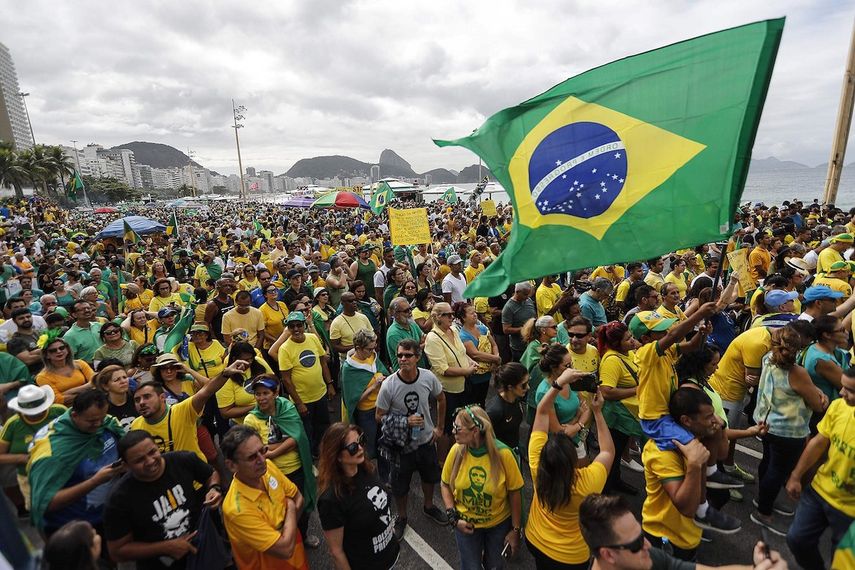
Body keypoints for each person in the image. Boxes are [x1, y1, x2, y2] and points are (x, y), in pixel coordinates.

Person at [525, 367, 614, 569]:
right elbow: (607, 451)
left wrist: (557, 384)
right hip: (570, 556)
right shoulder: (587, 481)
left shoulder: (537, 465)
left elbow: (541, 411)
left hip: (535, 539)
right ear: (574, 460)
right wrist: (597, 413)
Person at [104, 430, 223, 570]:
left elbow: (210, 474)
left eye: (152, 452)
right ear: (126, 465)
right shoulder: (119, 499)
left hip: (205, 552)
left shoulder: (182, 460)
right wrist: (165, 548)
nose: (149, 461)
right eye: (139, 460)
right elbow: (117, 551)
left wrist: (214, 488)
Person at [750, 327, 827, 536]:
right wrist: (821, 396)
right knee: (777, 470)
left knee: (768, 462)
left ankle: (762, 500)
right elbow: (817, 405)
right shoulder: (797, 372)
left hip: (765, 423)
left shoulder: (767, 359)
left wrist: (814, 390)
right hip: (788, 431)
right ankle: (763, 512)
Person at [579, 494, 789, 570]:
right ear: (607, 554)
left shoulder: (645, 558)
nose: (648, 545)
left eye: (642, 536)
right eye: (636, 544)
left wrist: (758, 568)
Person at [375, 338, 448, 541]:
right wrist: (404, 421)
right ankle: (402, 516)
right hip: (401, 446)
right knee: (400, 485)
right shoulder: (389, 385)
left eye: (408, 355)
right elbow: (378, 416)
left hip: (425, 441)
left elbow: (441, 398)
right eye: (400, 355)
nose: (403, 359)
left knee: (428, 477)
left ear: (417, 357)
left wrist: (440, 428)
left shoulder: (427, 377)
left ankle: (429, 506)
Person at [28, 388, 126, 535]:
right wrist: (94, 481)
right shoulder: (52, 452)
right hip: (72, 529)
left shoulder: (106, 423)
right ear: (75, 415)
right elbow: (45, 502)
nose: (99, 424)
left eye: (102, 417)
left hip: (109, 515)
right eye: (92, 421)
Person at [785, 366, 855, 569]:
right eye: (843, 387)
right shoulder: (839, 407)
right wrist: (796, 475)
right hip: (819, 492)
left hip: (850, 511)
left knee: (841, 560)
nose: (841, 393)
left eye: (850, 390)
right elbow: (818, 443)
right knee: (797, 540)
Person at [441, 405, 524, 570]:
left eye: (457, 428)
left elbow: (515, 493)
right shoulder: (456, 451)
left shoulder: (504, 455)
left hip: (498, 526)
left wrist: (515, 530)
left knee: (495, 566)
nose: (453, 432)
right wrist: (453, 517)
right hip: (466, 526)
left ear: (475, 431)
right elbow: (444, 484)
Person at [244, 376, 319, 550]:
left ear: (275, 393)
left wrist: (272, 451)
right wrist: (282, 444)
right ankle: (285, 541)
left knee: (301, 507)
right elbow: (257, 449)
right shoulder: (251, 420)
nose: (261, 398)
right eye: (257, 394)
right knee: (278, 511)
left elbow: (297, 436)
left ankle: (303, 535)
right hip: (271, 474)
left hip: (296, 468)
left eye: (265, 393)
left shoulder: (286, 407)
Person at [221, 425, 309, 570]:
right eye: (252, 457)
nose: (262, 459)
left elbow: (299, 497)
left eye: (263, 450)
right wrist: (291, 509)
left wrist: (286, 535)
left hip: (297, 560)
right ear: (232, 466)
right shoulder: (236, 510)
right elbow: (285, 550)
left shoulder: (268, 467)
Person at [317, 422, 400, 570]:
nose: (360, 448)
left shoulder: (366, 469)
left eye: (360, 441)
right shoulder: (331, 499)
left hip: (390, 557)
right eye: (352, 447)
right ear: (337, 456)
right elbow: (337, 552)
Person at [130, 359, 248, 461]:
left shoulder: (181, 410)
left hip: (196, 475)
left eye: (147, 397)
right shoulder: (136, 425)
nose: (142, 403)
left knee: (213, 457)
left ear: (162, 398)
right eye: (137, 400)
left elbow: (207, 390)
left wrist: (225, 373)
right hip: (168, 480)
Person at [0, 385, 66, 512]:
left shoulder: (59, 412)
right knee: (41, 512)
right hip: (30, 477)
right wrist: (23, 458)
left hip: (63, 469)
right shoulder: (13, 424)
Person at [424, 301, 476, 459]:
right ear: (437, 317)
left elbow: (461, 352)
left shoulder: (453, 329)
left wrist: (469, 361)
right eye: (448, 315)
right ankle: (442, 461)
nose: (452, 317)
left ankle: (457, 455)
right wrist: (466, 370)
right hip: (447, 390)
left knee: (460, 423)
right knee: (446, 427)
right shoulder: (433, 339)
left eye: (452, 314)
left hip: (462, 385)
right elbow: (443, 369)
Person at [278, 311, 334, 455]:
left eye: (298, 325)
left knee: (323, 427)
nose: (296, 329)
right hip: (303, 399)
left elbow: (323, 362)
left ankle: (323, 453)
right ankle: (309, 458)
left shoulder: (312, 338)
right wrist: (299, 403)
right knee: (307, 431)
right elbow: (286, 379)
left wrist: (330, 384)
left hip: (320, 394)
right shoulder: (284, 349)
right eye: (292, 326)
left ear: (304, 325)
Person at [597, 321, 643, 494]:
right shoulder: (612, 361)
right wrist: (637, 389)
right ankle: (605, 492)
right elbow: (606, 392)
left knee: (616, 454)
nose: (632, 341)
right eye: (627, 339)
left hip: (625, 416)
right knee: (611, 455)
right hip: (615, 417)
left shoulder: (627, 353)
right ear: (616, 344)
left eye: (631, 336)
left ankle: (615, 482)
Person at [533, 344, 591, 454]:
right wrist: (578, 420)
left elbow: (586, 409)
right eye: (567, 365)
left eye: (572, 364)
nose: (572, 369)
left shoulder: (571, 381)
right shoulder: (544, 393)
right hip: (559, 447)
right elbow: (558, 432)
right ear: (553, 368)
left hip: (576, 440)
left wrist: (574, 426)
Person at [340, 328, 388, 459]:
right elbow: (353, 401)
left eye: (374, 348)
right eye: (369, 349)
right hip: (366, 413)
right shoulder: (349, 369)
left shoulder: (372, 357)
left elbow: (382, 371)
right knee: (368, 447)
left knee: (384, 444)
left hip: (381, 407)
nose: (373, 351)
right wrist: (374, 386)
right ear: (358, 348)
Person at [456, 301, 501, 408]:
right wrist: (496, 358)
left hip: (487, 372)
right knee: (474, 402)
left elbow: (494, 344)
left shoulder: (482, 328)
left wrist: (496, 357)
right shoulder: (463, 335)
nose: (475, 315)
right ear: (463, 317)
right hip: (475, 375)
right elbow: (475, 354)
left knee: (482, 400)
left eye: (475, 312)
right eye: (471, 313)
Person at [485, 362, 528, 456]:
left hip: (512, 451)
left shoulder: (516, 400)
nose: (528, 387)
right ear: (510, 387)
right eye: (523, 385)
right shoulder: (495, 411)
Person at [36, 337, 94, 405]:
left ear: (67, 349)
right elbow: (57, 400)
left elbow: (96, 381)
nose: (59, 351)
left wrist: (68, 392)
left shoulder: (80, 364)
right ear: (46, 355)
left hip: (91, 403)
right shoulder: (42, 377)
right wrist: (87, 389)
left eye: (62, 348)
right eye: (53, 350)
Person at [385, 296, 426, 371]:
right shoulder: (393, 333)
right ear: (396, 314)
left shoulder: (411, 324)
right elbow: (408, 354)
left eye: (410, 308)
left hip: (419, 370)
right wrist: (422, 345)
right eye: (406, 311)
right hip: (405, 374)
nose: (410, 312)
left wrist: (419, 346)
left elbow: (425, 337)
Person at [93, 364, 138, 431]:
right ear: (105, 386)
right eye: (117, 380)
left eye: (125, 377)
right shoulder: (101, 407)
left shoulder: (138, 397)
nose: (123, 381)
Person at [330, 292, 373, 358]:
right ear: (342, 303)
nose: (354, 302)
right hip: (348, 359)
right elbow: (335, 346)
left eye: (355, 300)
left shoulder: (363, 317)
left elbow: (372, 335)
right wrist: (356, 348)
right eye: (350, 301)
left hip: (367, 357)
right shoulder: (336, 322)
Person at [502, 282, 536, 362]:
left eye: (528, 294)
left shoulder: (528, 300)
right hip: (519, 347)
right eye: (525, 294)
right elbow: (506, 329)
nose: (527, 297)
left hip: (532, 343)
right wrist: (524, 328)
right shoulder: (508, 308)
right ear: (517, 292)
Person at [62, 299, 102, 364]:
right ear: (74, 315)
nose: (87, 311)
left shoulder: (98, 326)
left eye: (88, 308)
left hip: (105, 364)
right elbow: (69, 359)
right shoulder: (70, 336)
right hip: (86, 368)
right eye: (82, 309)